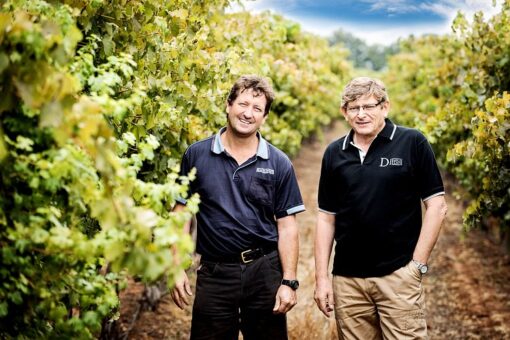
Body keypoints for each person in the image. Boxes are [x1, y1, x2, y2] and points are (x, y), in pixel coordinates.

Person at [171, 75, 305, 340]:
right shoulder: (196, 154)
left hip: (264, 271)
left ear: (264, 117)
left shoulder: (279, 162)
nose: (248, 113)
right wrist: (175, 267)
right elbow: (181, 215)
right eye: (243, 104)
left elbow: (287, 227)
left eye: (257, 109)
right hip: (215, 273)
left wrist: (288, 282)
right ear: (228, 105)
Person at [314, 77, 447, 339]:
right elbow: (326, 218)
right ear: (344, 112)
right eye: (354, 108)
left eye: (369, 106)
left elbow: (437, 206)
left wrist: (417, 266)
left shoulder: (412, 142)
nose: (361, 114)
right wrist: (322, 279)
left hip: (398, 276)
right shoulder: (334, 153)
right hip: (348, 281)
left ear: (385, 107)